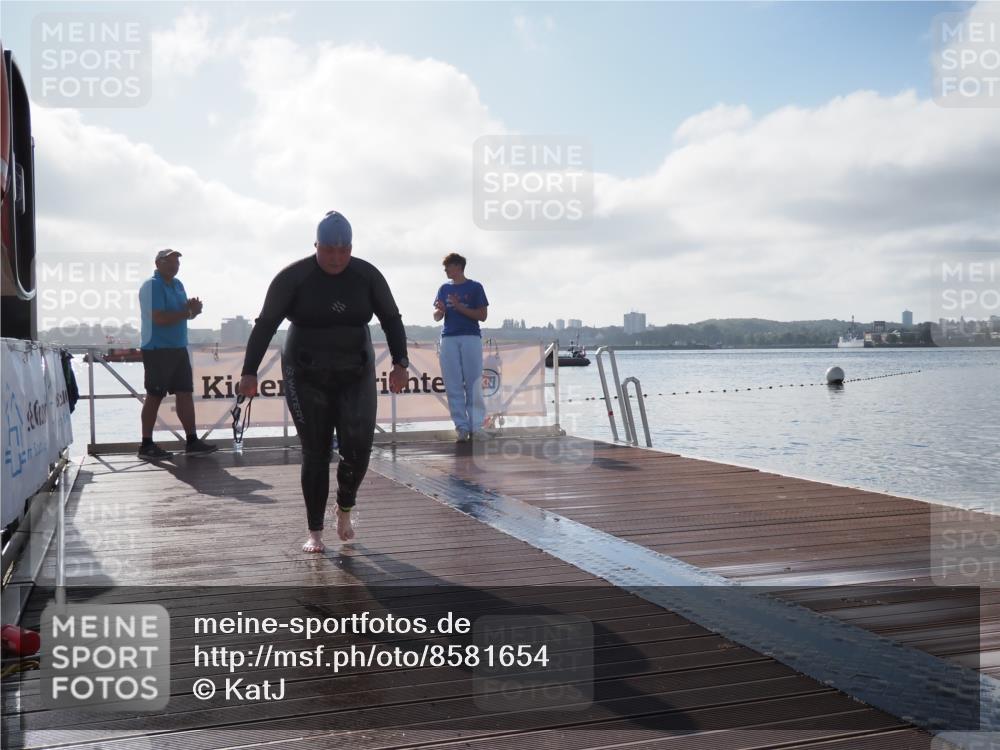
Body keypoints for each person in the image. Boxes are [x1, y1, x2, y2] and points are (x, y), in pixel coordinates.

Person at [239, 211, 409, 553]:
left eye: (342, 250)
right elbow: (265, 325)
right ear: (316, 246)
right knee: (315, 451)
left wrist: (400, 363)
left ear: (350, 247)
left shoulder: (367, 275)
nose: (335, 258)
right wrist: (249, 372)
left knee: (358, 448)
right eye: (328, 250)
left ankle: (345, 508)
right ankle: (314, 531)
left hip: (355, 368)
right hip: (305, 371)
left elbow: (391, 318)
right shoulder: (293, 278)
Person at [137, 249, 218, 460]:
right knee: (154, 396)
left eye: (177, 262)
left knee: (184, 393)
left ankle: (192, 441)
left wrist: (193, 310)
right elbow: (159, 318)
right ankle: (146, 445)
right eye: (170, 262)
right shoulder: (151, 286)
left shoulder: (178, 284)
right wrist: (187, 312)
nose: (175, 266)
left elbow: (182, 314)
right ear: (158, 263)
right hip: (157, 349)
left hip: (178, 347)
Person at [433, 252, 489, 441]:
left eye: (448, 266)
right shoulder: (443, 288)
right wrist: (441, 310)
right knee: (453, 383)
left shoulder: (475, 287)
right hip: (448, 337)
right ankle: (461, 426)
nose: (445, 270)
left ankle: (476, 426)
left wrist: (459, 307)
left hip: (470, 337)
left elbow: (482, 315)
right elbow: (437, 316)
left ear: (458, 266)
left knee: (473, 382)